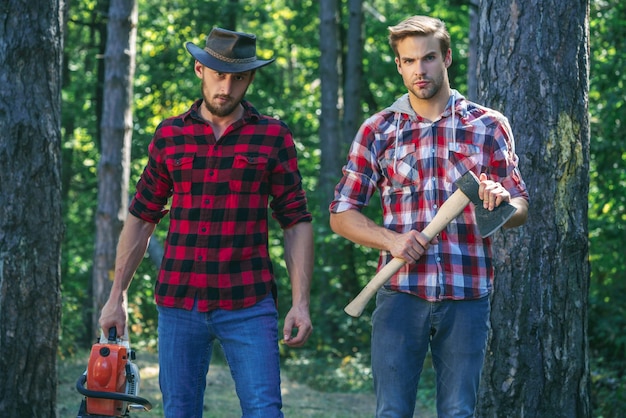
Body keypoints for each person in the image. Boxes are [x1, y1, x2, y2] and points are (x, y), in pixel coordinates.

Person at [99, 27, 314, 418]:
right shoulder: (170, 135)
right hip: (180, 302)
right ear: (200, 69)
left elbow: (296, 221)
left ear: (250, 78)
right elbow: (142, 217)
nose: (226, 87)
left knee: (265, 411)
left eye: (238, 77)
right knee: (179, 411)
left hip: (249, 301)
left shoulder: (272, 136)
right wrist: (116, 298)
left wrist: (300, 303)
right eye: (218, 74)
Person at [329, 15, 529, 418]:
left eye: (429, 58)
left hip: (467, 293)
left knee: (458, 412)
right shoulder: (379, 130)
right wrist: (392, 241)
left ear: (447, 58)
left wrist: (500, 200)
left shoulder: (488, 126)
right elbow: (341, 214)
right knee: (392, 412)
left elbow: (521, 208)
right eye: (409, 60)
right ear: (399, 65)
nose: (420, 69)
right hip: (400, 292)